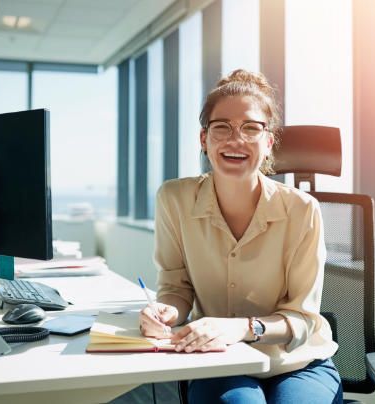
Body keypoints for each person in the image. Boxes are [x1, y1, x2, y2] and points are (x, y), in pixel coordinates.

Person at [138, 69, 343, 403]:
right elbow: (176, 287)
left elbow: (302, 317)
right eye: (222, 128)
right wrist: (165, 312)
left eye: (251, 128)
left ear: (268, 142)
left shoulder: (302, 210)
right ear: (203, 140)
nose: (236, 140)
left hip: (299, 361)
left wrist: (242, 327)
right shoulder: (174, 199)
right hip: (221, 358)